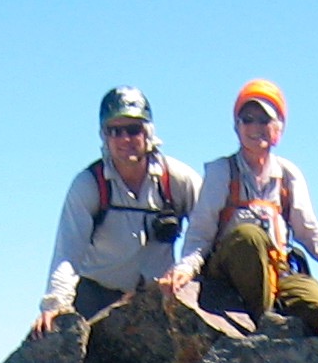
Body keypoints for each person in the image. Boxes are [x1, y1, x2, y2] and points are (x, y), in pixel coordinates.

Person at [31, 88, 200, 336]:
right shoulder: (89, 185)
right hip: (97, 297)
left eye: (133, 130)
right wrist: (55, 305)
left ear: (148, 132)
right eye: (115, 131)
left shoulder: (177, 180)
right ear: (104, 136)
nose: (124, 139)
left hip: (158, 299)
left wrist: (187, 269)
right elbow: (68, 252)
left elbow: (207, 232)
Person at [176, 79, 318, 331]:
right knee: (249, 236)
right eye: (247, 119)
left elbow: (310, 233)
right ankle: (266, 322)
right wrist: (185, 268)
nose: (255, 127)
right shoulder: (221, 171)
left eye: (265, 120)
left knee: (314, 300)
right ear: (236, 127)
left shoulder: (288, 175)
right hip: (226, 271)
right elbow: (200, 233)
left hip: (277, 270)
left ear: (279, 128)